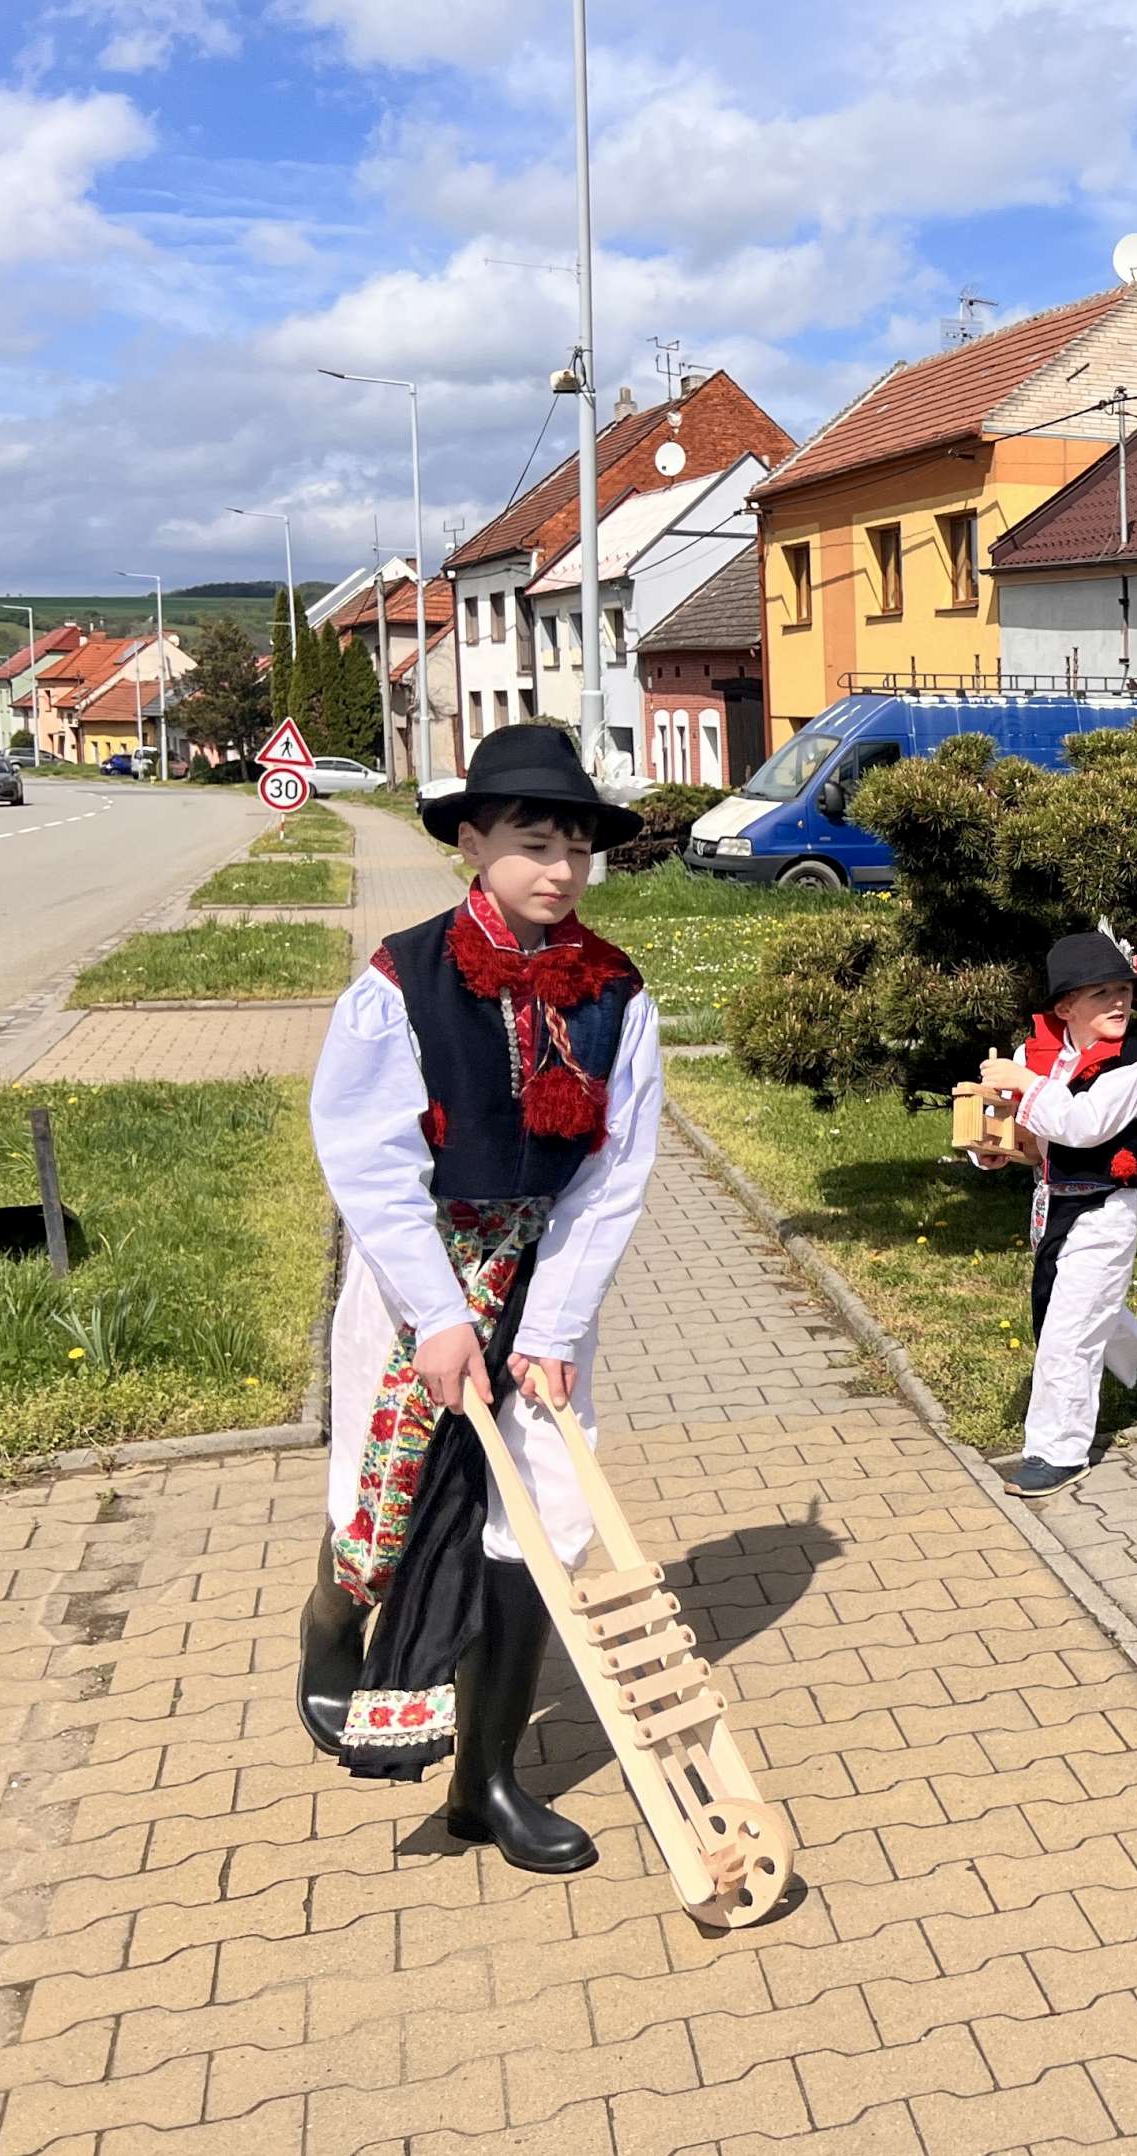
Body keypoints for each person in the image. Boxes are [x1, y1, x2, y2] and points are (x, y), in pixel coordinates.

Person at [292, 723, 661, 1874]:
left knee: (542, 1511)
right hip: (418, 1275)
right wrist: (440, 1313)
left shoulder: (615, 991)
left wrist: (549, 1323)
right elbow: (367, 1156)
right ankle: (330, 1627)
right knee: (387, 1487)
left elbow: (615, 1170)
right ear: (472, 842)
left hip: (544, 1277)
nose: (560, 867)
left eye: (577, 847)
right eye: (534, 842)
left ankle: (487, 1780)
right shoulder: (403, 977)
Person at [976, 927, 1137, 1499]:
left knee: (1067, 1332)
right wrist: (992, 1149)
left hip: (1105, 1210)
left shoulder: (1134, 1067)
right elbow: (1013, 1125)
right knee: (1087, 1308)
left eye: (1124, 990)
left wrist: (1027, 1085)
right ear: (1065, 1007)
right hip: (1051, 1203)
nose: (1119, 1003)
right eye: (1102, 994)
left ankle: (1058, 1451)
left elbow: (1083, 1124)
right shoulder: (1033, 1054)